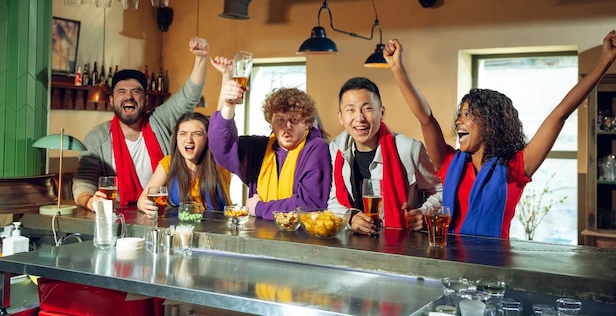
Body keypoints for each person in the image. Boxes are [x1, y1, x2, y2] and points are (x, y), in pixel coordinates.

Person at [383, 30, 616, 239]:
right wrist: (396, 68)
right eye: (460, 114)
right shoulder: (449, 162)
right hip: (451, 266)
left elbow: (560, 114)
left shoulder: (516, 167)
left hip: (494, 270)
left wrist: (605, 60)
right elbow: (425, 118)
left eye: (468, 114)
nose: (458, 120)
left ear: (490, 124)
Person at [73, 37, 211, 211]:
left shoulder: (158, 121)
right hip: (118, 217)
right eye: (121, 91)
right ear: (112, 100)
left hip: (163, 213)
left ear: (145, 100)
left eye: (135, 91)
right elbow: (83, 181)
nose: (128, 97)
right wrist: (89, 201)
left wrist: (200, 59)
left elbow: (188, 97)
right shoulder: (98, 136)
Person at [208, 59, 331, 220]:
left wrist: (259, 208)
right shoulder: (260, 149)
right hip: (260, 237)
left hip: (301, 240)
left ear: (306, 122)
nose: (287, 126)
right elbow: (220, 147)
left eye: (294, 120)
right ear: (270, 122)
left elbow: (309, 204)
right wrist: (229, 106)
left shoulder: (316, 147)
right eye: (280, 120)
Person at [327, 77, 442, 235]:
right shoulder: (336, 149)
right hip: (354, 246)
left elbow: (439, 191)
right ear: (340, 117)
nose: (359, 118)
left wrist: (424, 213)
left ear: (381, 112)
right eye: (350, 110)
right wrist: (350, 218)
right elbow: (334, 200)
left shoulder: (408, 149)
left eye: (367, 108)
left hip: (403, 244)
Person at [137, 112, 231, 217]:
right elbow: (143, 198)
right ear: (176, 138)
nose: (189, 139)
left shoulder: (220, 162)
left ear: (207, 139)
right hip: (181, 230)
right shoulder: (168, 162)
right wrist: (146, 205)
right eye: (183, 133)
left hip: (218, 229)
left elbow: (223, 129)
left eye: (197, 134)